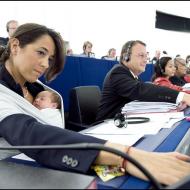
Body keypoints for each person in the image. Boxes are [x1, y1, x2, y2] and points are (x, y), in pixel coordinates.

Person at [0, 24, 189, 186]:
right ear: (15, 45)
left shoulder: (35, 87)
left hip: (54, 167)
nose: (44, 64)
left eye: (49, 58)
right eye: (40, 52)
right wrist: (127, 157)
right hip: (17, 175)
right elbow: (30, 133)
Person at [96, 40, 190, 121]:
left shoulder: (132, 76)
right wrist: (182, 96)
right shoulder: (117, 72)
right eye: (141, 55)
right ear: (126, 56)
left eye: (146, 56)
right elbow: (140, 90)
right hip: (105, 126)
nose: (145, 60)